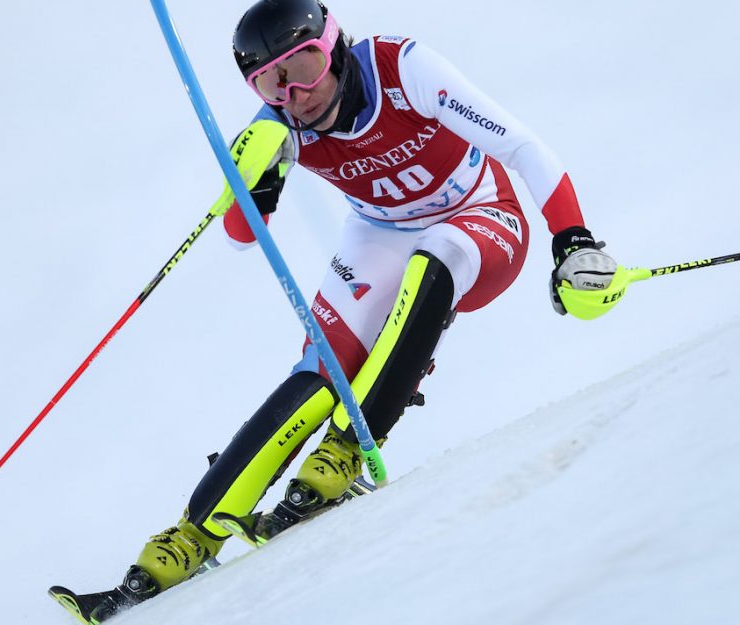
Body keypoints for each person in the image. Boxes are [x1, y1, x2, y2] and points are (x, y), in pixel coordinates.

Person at [54, 0, 619, 619]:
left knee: (436, 259)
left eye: (305, 66)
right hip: (380, 234)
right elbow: (242, 234)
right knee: (321, 368)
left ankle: (345, 451)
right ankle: (187, 539)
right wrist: (259, 181)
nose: (295, 92)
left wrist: (574, 240)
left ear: (335, 46)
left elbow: (523, 147)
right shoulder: (277, 124)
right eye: (270, 81)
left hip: (480, 216)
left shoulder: (402, 69)